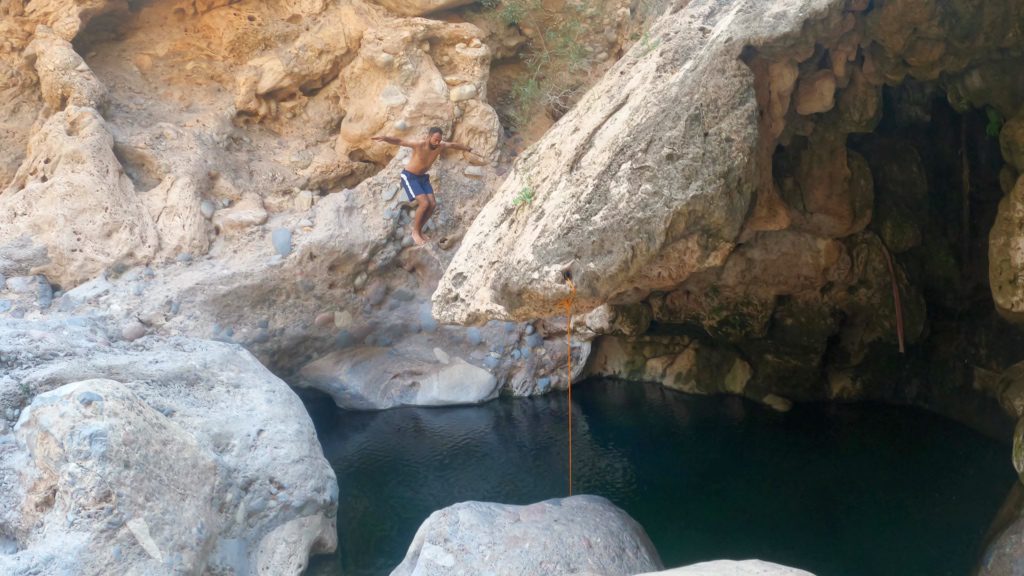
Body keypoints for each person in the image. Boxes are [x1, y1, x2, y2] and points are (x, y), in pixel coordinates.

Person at [371, 127, 474, 245]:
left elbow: (453, 145)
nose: (437, 142)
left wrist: (467, 148)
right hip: (410, 176)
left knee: (432, 204)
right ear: (429, 137)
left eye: (439, 140)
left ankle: (419, 230)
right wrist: (385, 138)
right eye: (435, 139)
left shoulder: (440, 145)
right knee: (424, 203)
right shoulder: (419, 144)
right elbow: (400, 141)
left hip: (422, 178)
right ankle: (415, 232)